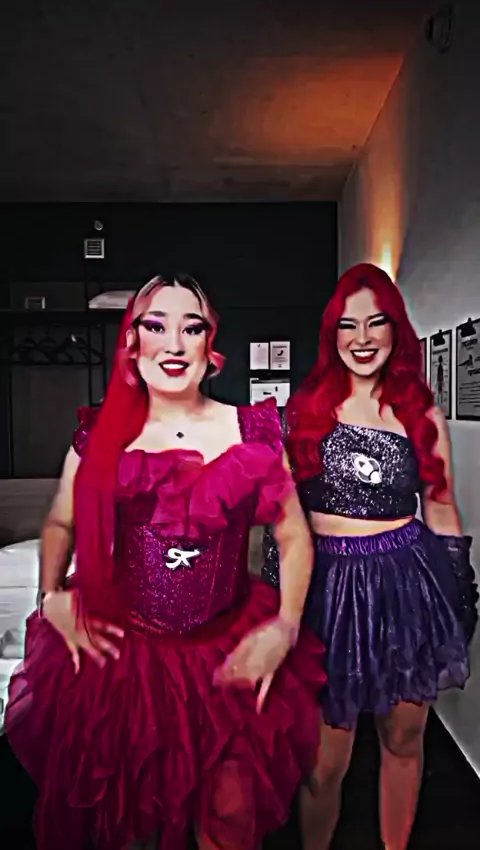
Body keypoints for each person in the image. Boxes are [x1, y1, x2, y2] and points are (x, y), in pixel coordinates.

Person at [6, 274, 327, 850]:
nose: (174, 344)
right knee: (127, 822)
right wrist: (50, 594)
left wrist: (285, 626)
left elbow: (294, 535)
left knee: (230, 820)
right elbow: (60, 522)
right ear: (132, 342)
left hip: (229, 651)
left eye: (191, 327)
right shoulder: (99, 434)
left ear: (210, 342)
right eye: (156, 326)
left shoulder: (254, 430)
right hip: (126, 661)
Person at [262, 263, 478, 850]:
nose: (362, 338)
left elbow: (441, 508)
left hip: (406, 583)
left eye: (375, 322)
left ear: (395, 329)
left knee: (404, 740)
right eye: (348, 325)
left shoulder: (421, 413)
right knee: (323, 763)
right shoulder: (300, 413)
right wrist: (279, 610)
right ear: (331, 333)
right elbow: (283, 525)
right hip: (326, 588)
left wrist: (460, 597)